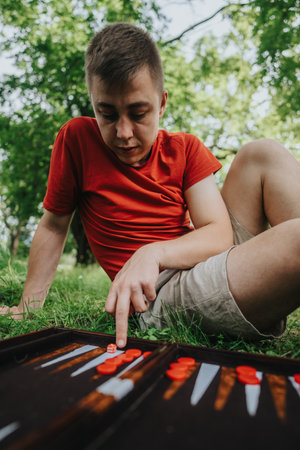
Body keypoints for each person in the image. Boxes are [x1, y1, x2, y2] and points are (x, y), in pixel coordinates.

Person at [1, 23, 299, 349]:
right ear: (94, 105)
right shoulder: (77, 140)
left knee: (262, 153)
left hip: (203, 260)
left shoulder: (185, 149)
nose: (124, 132)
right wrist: (26, 310)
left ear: (161, 104)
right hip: (159, 293)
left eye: (138, 113)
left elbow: (218, 234)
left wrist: (152, 252)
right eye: (108, 114)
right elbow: (55, 226)